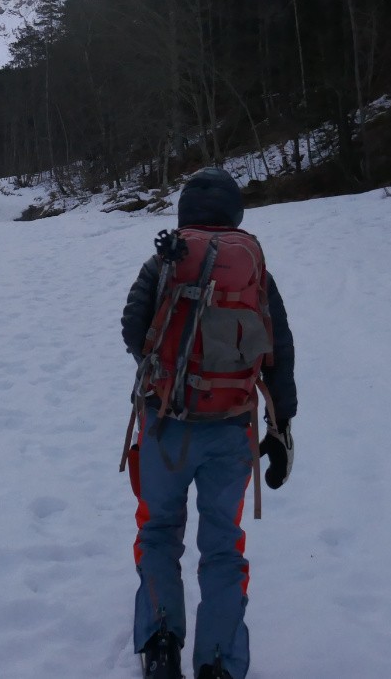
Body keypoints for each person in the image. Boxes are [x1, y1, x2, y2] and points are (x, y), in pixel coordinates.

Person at [121, 167, 297, 679]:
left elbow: (133, 327)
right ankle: (219, 661)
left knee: (157, 532)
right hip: (232, 427)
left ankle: (159, 643)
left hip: (164, 426)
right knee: (223, 542)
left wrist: (163, 378)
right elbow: (278, 352)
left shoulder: (163, 261)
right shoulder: (254, 267)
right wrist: (281, 424)